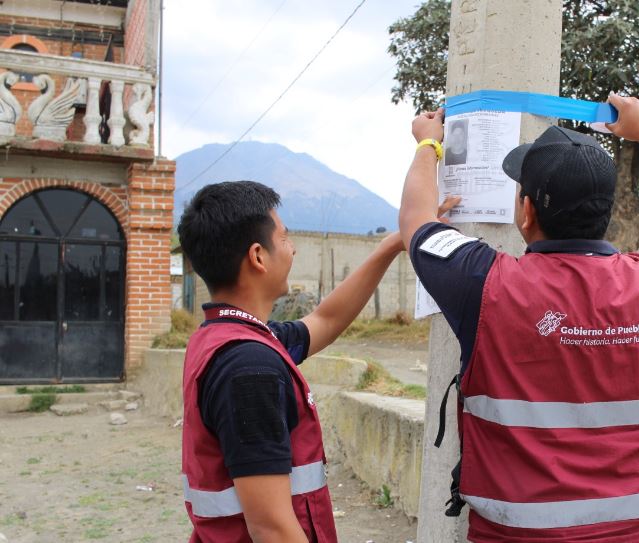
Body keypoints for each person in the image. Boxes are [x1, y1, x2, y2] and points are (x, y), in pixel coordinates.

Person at [399, 93, 639, 543]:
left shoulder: (485, 284)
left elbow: (416, 222)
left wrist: (427, 145)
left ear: (527, 211)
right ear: (606, 213)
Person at [178, 180, 455, 542]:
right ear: (258, 256)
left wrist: (393, 244)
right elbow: (272, 527)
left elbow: (325, 320)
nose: (292, 250)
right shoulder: (249, 369)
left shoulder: (231, 336)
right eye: (285, 238)